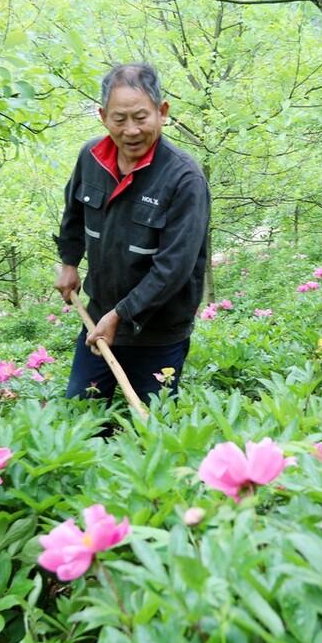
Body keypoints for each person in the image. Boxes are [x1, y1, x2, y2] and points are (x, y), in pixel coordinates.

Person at [54, 63, 210, 403]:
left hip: (158, 332)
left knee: (150, 428)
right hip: (98, 320)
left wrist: (121, 314)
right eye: (119, 119)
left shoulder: (184, 180)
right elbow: (74, 213)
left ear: (162, 111)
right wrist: (68, 262)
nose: (131, 130)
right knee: (81, 414)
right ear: (102, 115)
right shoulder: (91, 157)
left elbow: (174, 269)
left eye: (141, 117)